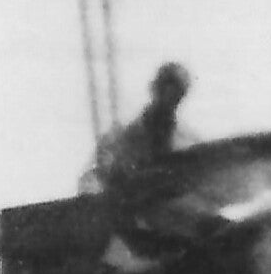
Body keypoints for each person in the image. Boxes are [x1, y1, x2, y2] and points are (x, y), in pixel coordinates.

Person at [81, 62, 197, 194]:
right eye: (163, 90)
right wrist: (93, 191)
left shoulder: (189, 145)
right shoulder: (118, 139)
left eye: (176, 95)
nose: (168, 98)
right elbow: (92, 178)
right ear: (153, 88)